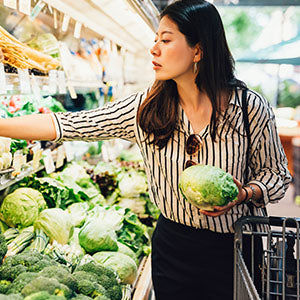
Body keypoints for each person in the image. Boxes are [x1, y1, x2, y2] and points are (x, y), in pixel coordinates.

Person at [0, 0, 292, 299]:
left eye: (166, 40)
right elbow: (67, 124)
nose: (154, 48)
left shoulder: (247, 108)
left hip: (235, 249)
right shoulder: (146, 109)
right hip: (174, 246)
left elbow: (277, 175)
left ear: (198, 50)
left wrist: (243, 193)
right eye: (156, 40)